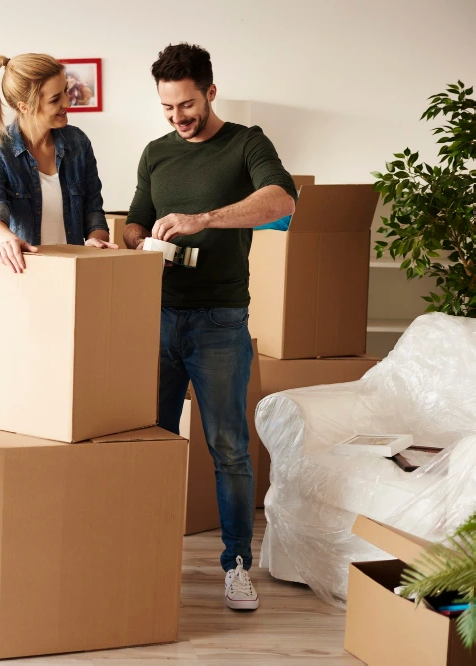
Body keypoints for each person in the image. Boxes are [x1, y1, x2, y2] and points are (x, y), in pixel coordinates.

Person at [124, 43, 297, 611]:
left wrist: (203, 219)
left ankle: (237, 566)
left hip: (221, 323)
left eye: (188, 104)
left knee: (228, 448)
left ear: (211, 91)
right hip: (159, 317)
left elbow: (282, 202)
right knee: (150, 441)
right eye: (169, 107)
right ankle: (141, 555)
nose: (178, 117)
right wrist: (127, 239)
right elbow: (136, 220)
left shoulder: (247, 142)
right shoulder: (156, 153)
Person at [0, 53, 115, 273]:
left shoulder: (78, 143)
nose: (67, 103)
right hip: (23, 273)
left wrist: (95, 242)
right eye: (55, 99)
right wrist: (6, 240)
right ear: (25, 107)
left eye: (66, 91)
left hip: (75, 272)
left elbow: (93, 212)